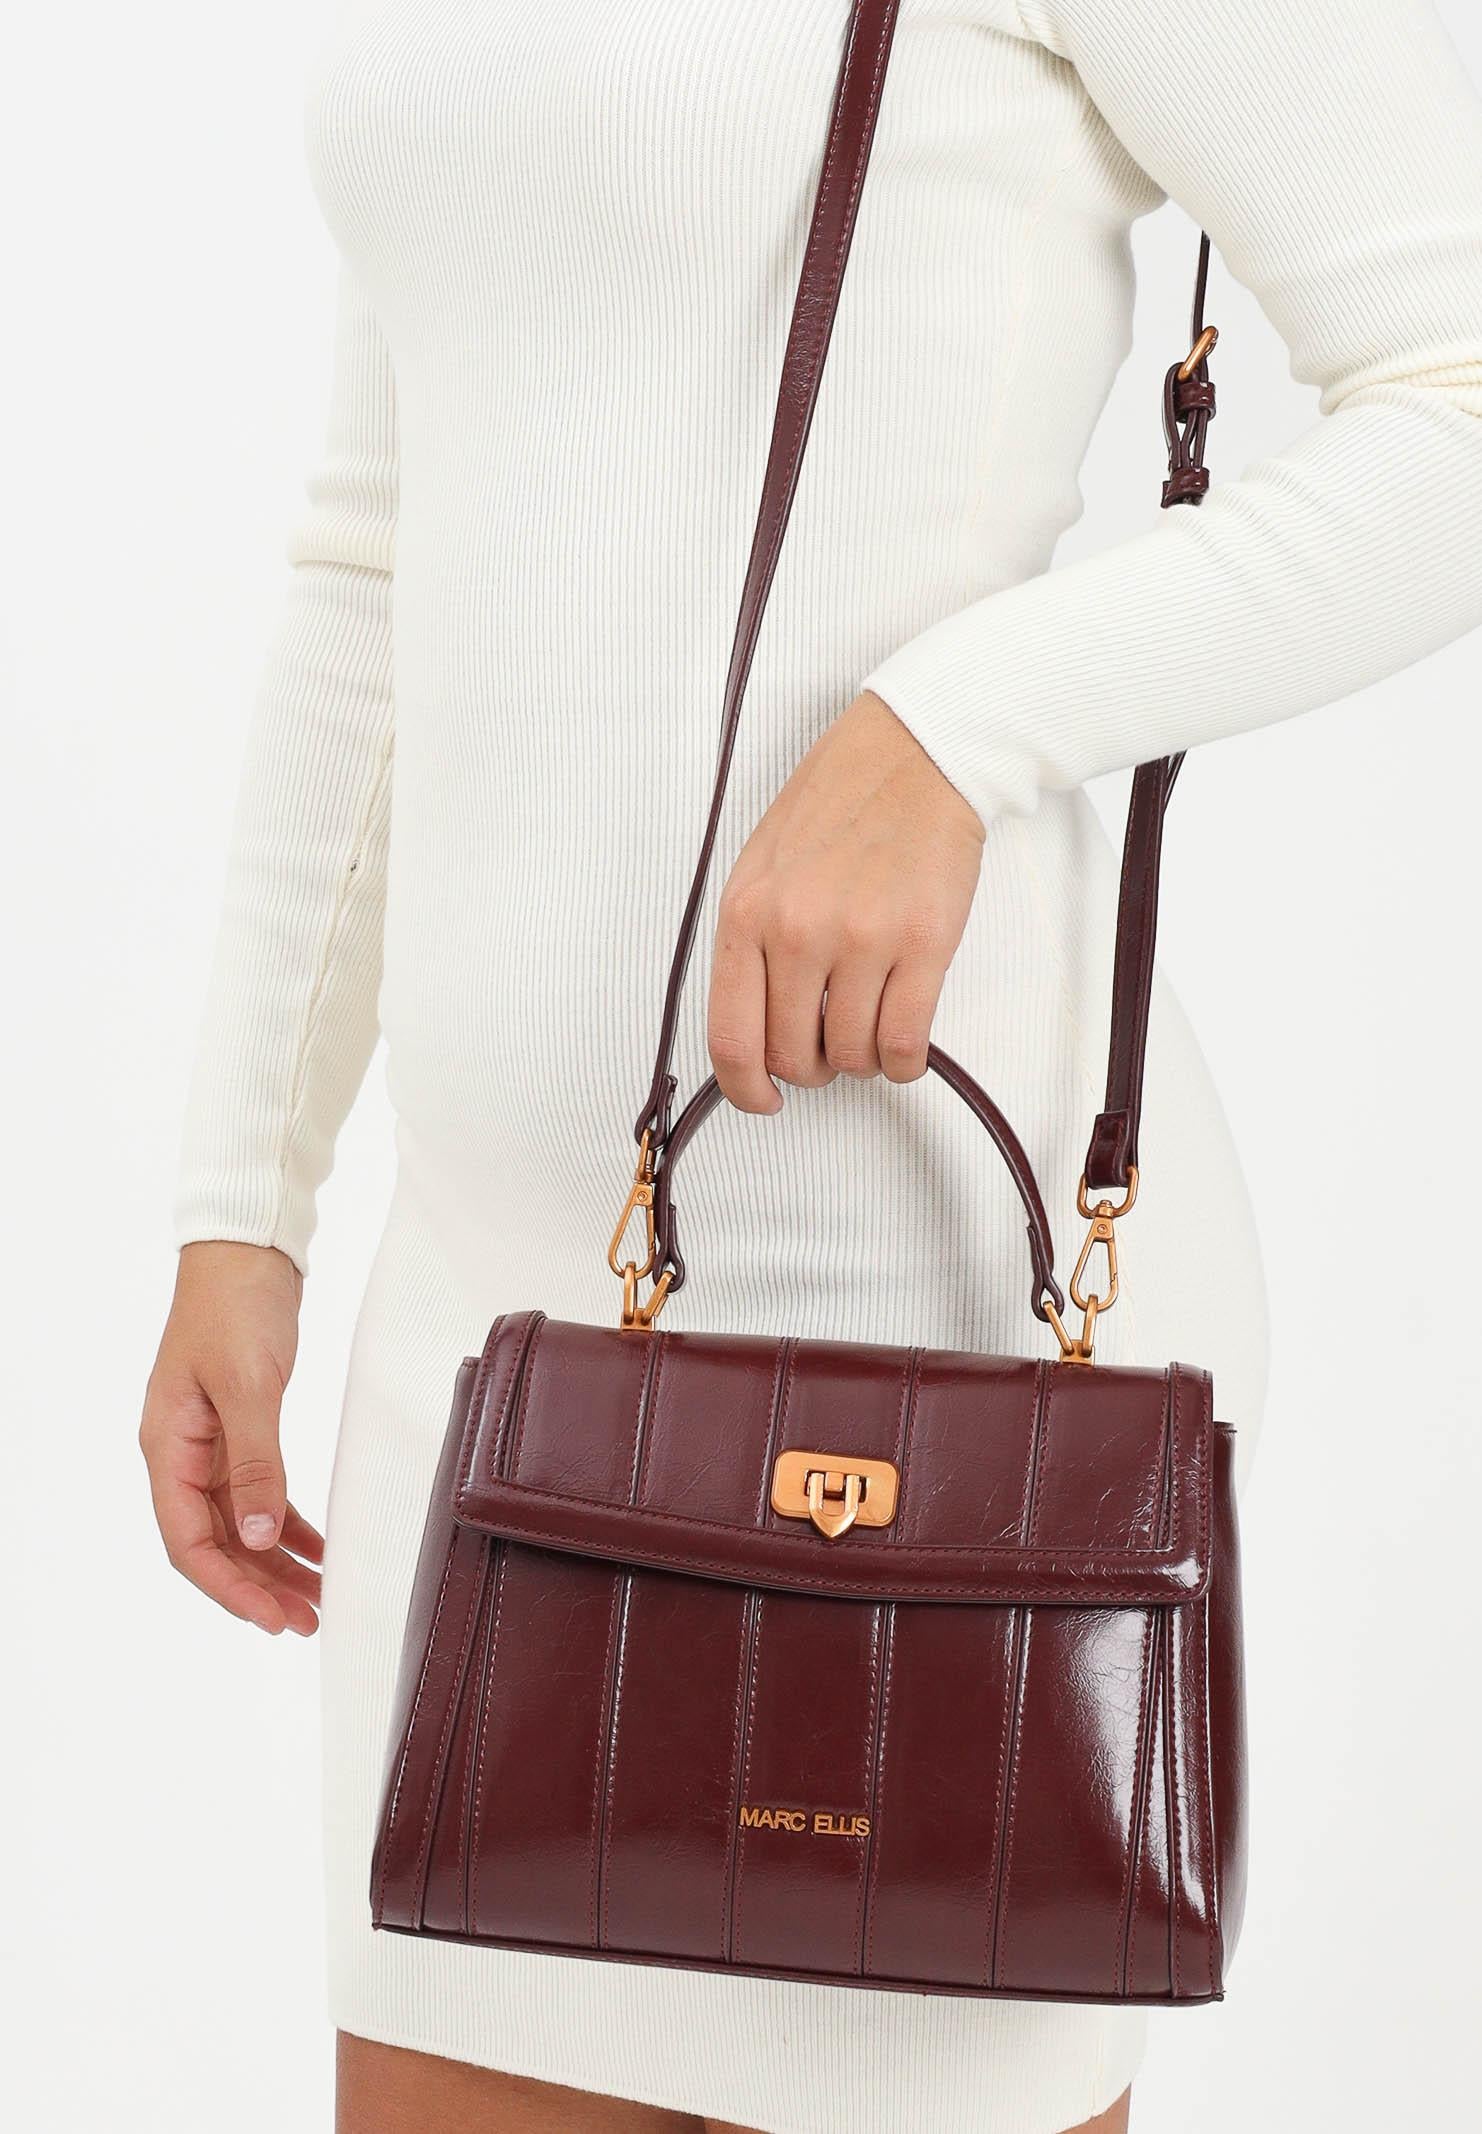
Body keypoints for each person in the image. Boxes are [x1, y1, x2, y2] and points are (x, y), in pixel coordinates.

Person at [139, 3, 1482, 2131]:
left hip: (939, 1345)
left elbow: (1456, 388)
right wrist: (247, 1195)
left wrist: (959, 723)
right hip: (492, 1354)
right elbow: (371, 565)